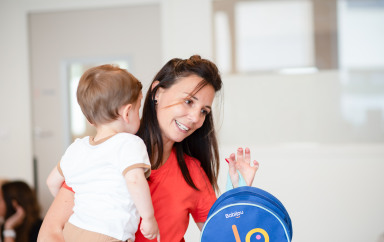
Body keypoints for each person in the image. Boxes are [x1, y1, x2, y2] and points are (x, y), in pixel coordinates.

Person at [38, 55, 259, 242]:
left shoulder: (192, 173)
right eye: (189, 101)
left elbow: (221, 238)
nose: (195, 118)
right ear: (157, 92)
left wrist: (237, 197)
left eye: (204, 111)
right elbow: (50, 233)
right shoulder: (104, 154)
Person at [45, 64, 159, 242]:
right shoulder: (129, 143)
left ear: (90, 120)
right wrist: (149, 218)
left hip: (73, 229)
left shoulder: (76, 148)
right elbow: (135, 180)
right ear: (127, 112)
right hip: (109, 234)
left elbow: (52, 182)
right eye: (138, 109)